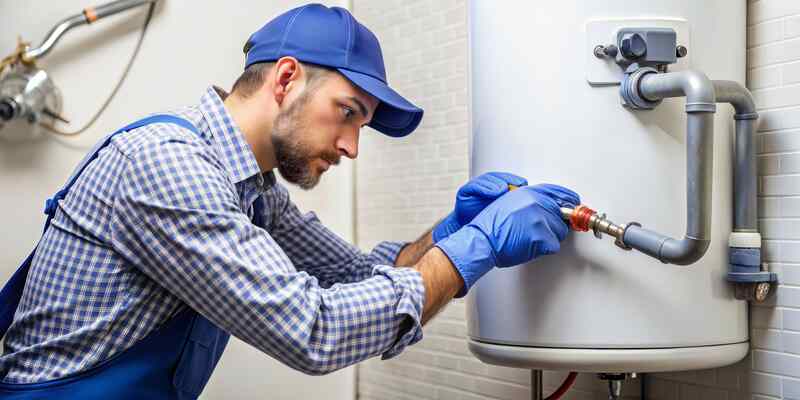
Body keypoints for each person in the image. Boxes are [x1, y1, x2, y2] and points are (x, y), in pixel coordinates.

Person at [0, 4, 580, 399]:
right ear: (285, 80)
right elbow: (312, 329)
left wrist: (451, 232)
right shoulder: (169, 164)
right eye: (348, 112)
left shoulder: (252, 190)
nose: (352, 146)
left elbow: (358, 278)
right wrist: (472, 252)